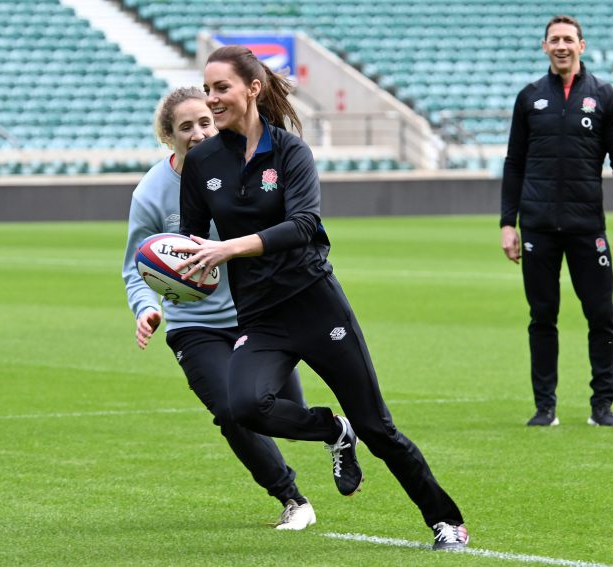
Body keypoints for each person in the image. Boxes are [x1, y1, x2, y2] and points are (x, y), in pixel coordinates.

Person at [174, 46, 467, 551]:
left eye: (221, 88)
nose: (212, 99)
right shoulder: (201, 162)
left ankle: (447, 521)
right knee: (244, 406)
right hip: (261, 316)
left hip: (315, 303)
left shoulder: (290, 151)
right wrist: (173, 270)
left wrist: (230, 248)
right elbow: (191, 239)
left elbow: (305, 224)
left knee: (378, 428)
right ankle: (332, 428)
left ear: (252, 88)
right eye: (207, 89)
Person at [121, 86, 317, 530]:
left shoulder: (249, 170)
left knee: (286, 410)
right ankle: (292, 498)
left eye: (205, 122)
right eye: (185, 127)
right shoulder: (151, 192)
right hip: (195, 326)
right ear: (167, 136)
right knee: (231, 412)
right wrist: (145, 308)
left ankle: (334, 429)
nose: (197, 133)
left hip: (259, 314)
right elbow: (136, 266)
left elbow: (284, 232)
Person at [500, 15, 613, 428]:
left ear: (582, 45)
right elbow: (514, 164)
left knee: (601, 315)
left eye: (568, 39)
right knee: (542, 316)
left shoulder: (605, 97)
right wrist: (509, 223)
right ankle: (545, 406)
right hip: (538, 227)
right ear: (545, 47)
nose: (561, 46)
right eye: (554, 40)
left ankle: (602, 406)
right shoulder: (529, 98)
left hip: (587, 228)